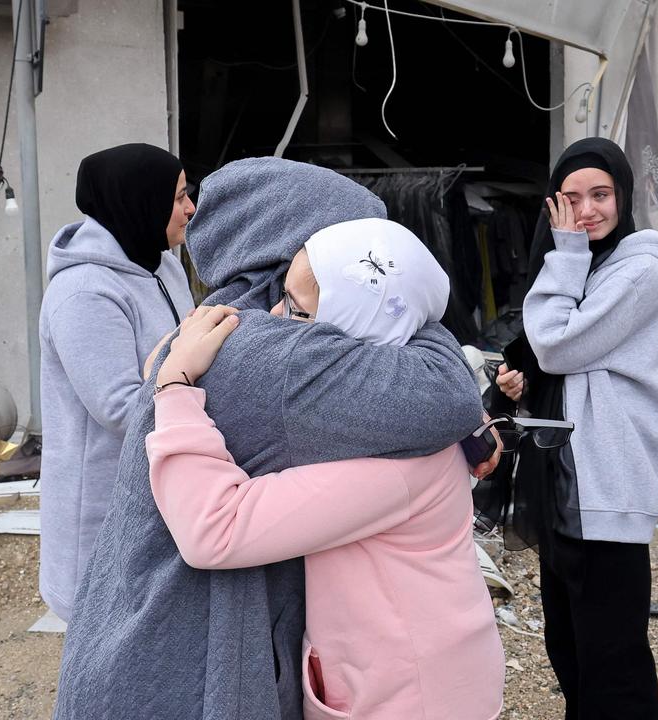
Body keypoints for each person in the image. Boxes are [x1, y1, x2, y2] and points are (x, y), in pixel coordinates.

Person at [54, 158, 490, 720]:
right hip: (178, 652)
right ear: (295, 247)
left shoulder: (231, 316)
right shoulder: (274, 351)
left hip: (134, 624)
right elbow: (449, 396)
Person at [148, 218, 505, 719]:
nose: (272, 315)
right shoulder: (397, 406)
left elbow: (216, 529)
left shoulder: (393, 460)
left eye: (295, 308)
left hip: (410, 695)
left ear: (354, 321)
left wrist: (176, 388)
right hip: (420, 664)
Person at [487, 137, 658, 719]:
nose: (587, 211)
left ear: (623, 196)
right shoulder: (583, 266)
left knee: (613, 664)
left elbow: (560, 343)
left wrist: (565, 250)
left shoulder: (641, 268)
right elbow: (539, 352)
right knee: (568, 652)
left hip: (609, 486)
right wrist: (516, 383)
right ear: (553, 205)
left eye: (600, 195)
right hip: (565, 485)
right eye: (571, 200)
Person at [37, 143, 196, 622]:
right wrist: (198, 381)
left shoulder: (159, 260)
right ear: (139, 202)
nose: (191, 208)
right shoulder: (85, 292)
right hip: (104, 502)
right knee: (105, 638)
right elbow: (122, 409)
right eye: (179, 198)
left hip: (155, 487)